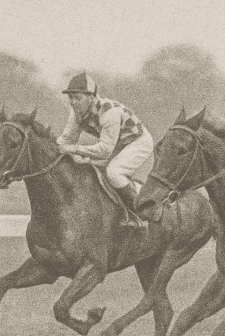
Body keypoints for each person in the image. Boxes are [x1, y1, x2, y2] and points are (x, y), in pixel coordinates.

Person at [56, 72, 153, 226]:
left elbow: (105, 150)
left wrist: (74, 149)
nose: (73, 102)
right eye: (71, 98)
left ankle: (140, 213)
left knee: (114, 172)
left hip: (138, 141)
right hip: (117, 145)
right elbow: (65, 141)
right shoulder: (76, 114)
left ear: (91, 97)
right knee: (89, 167)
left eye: (78, 98)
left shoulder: (109, 112)